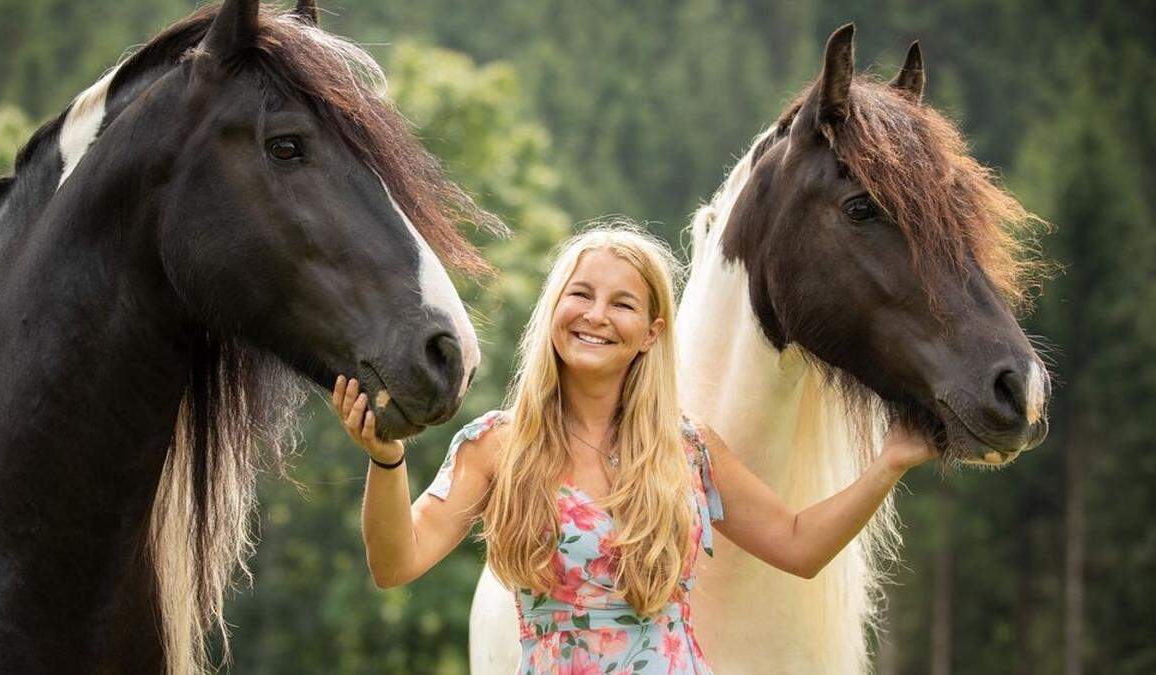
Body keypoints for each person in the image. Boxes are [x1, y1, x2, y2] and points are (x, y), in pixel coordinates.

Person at [333, 224, 935, 674]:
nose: (596, 315)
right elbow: (396, 563)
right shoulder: (497, 446)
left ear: (650, 333)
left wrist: (889, 463)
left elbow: (800, 544)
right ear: (553, 311)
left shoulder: (690, 450)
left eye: (622, 304)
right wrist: (387, 459)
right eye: (581, 295)